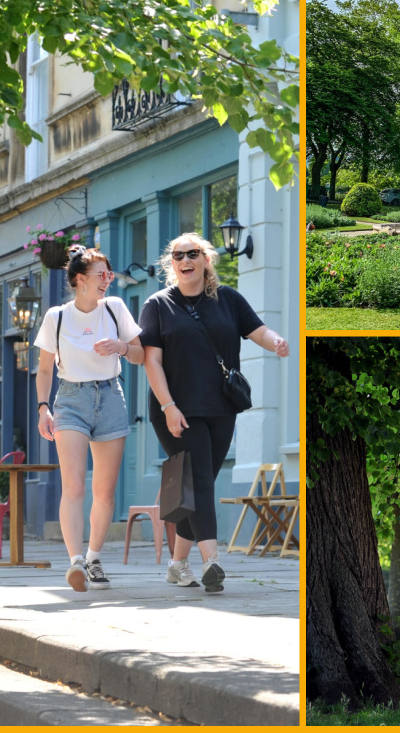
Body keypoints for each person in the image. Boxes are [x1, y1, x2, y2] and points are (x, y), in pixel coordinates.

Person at [139, 232, 290, 593]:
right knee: (202, 481)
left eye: (193, 254)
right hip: (176, 409)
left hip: (222, 405)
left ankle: (177, 564)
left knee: (197, 484)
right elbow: (151, 362)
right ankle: (212, 561)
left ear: (207, 260)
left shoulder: (229, 300)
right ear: (171, 264)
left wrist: (277, 342)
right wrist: (169, 406)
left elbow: (257, 331)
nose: (185, 260)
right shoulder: (158, 305)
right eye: (178, 256)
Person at [35, 245, 144, 592]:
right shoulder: (58, 317)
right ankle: (75, 562)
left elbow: (141, 355)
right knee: (74, 485)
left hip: (111, 396)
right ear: (80, 280)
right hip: (70, 400)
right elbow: (43, 369)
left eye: (109, 275)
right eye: (102, 275)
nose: (108, 281)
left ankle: (94, 557)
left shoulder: (115, 308)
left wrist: (120, 347)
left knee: (105, 490)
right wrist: (43, 408)